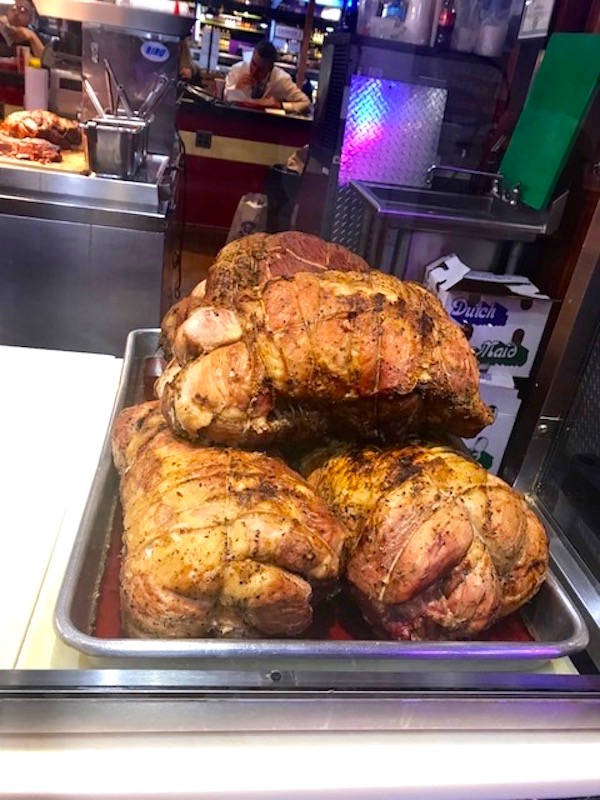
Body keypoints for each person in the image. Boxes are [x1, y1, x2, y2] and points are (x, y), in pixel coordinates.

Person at [223, 40, 311, 116]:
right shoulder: (238, 70)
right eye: (253, 63)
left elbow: (306, 104)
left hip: (268, 126)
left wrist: (280, 105)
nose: (254, 71)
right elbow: (224, 99)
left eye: (260, 69)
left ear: (270, 68)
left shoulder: (281, 79)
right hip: (239, 120)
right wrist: (236, 88)